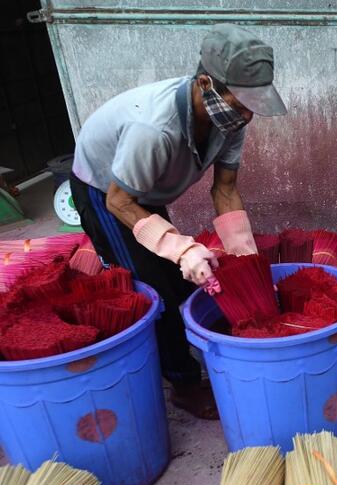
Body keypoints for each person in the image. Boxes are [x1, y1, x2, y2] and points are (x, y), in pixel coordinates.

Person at [70, 24, 287, 418]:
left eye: (252, 105)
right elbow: (122, 201)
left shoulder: (231, 119)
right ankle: (183, 384)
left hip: (143, 192)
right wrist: (179, 246)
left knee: (184, 279)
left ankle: (197, 353)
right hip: (106, 191)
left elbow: (224, 190)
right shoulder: (153, 130)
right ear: (205, 83)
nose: (246, 114)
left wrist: (246, 263)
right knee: (156, 290)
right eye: (240, 103)